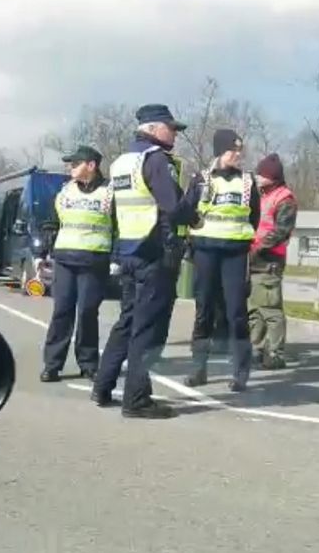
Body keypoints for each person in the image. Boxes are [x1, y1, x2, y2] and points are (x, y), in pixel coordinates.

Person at [91, 104, 195, 419]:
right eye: (170, 127)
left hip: (130, 252)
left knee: (127, 321)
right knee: (148, 329)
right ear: (152, 128)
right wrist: (197, 193)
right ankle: (136, 399)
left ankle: (103, 385)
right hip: (155, 253)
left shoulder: (122, 162)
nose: (175, 133)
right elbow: (174, 207)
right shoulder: (155, 160)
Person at [182, 129, 260, 391]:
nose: (237, 155)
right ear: (219, 151)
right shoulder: (201, 179)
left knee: (237, 312)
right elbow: (187, 211)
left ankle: (240, 371)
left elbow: (255, 218)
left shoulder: (248, 182)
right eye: (231, 150)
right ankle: (198, 368)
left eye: (240, 151)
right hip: (205, 252)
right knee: (203, 310)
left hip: (235, 253)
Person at [39, 146, 114, 383]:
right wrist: (45, 247)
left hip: (94, 260)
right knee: (61, 311)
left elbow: (118, 226)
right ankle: (52, 365)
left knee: (87, 313)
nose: (70, 168)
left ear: (91, 165)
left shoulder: (110, 192)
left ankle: (88, 364)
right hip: (64, 260)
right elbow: (51, 221)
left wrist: (118, 258)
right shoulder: (65, 191)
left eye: (75, 163)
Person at [248, 154, 298, 370]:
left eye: (262, 174)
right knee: (255, 309)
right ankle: (256, 348)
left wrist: (258, 248)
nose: (257, 177)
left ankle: (274, 353)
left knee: (270, 309)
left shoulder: (284, 199)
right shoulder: (261, 195)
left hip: (269, 260)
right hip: (253, 259)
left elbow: (281, 231)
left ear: (273, 177)